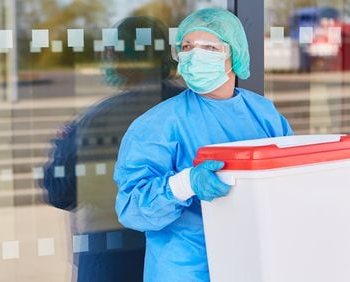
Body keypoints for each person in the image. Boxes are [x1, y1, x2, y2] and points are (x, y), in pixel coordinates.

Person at [113, 8, 294, 282]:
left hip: (253, 263)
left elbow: (290, 179)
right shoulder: (157, 125)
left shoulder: (265, 114)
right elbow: (131, 209)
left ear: (234, 54)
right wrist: (185, 184)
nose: (195, 55)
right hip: (185, 270)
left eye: (209, 47)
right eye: (187, 47)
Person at [41, 16, 184, 281]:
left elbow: (60, 192)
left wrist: (62, 145)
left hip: (113, 253)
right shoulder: (194, 107)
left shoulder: (101, 117)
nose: (108, 59)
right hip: (180, 248)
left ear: (129, 57)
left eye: (112, 52)